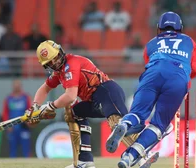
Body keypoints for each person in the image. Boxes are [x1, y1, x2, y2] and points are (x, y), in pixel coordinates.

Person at [23, 40, 152, 168]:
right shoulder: (59, 72)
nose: (55, 62)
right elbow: (44, 89)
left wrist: (49, 106)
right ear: (47, 66)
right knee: (72, 113)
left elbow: (70, 95)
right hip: (94, 99)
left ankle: (144, 154)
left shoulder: (70, 64)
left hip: (106, 91)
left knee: (117, 125)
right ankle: (85, 161)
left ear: (60, 52)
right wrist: (35, 107)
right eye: (50, 62)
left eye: (55, 57)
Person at [106, 11, 196, 168]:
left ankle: (125, 124)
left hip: (153, 72)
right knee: (159, 125)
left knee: (137, 114)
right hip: (177, 77)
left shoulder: (151, 43)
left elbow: (148, 63)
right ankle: (130, 156)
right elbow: (195, 68)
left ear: (159, 28)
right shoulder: (189, 41)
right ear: (180, 27)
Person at [1, 79, 31, 157]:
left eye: (18, 86)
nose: (16, 87)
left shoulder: (25, 97)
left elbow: (30, 109)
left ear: (21, 86)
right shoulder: (8, 99)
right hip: (12, 126)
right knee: (12, 149)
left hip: (23, 126)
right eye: (15, 86)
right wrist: (7, 125)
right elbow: (5, 113)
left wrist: (29, 122)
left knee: (26, 148)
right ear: (13, 87)